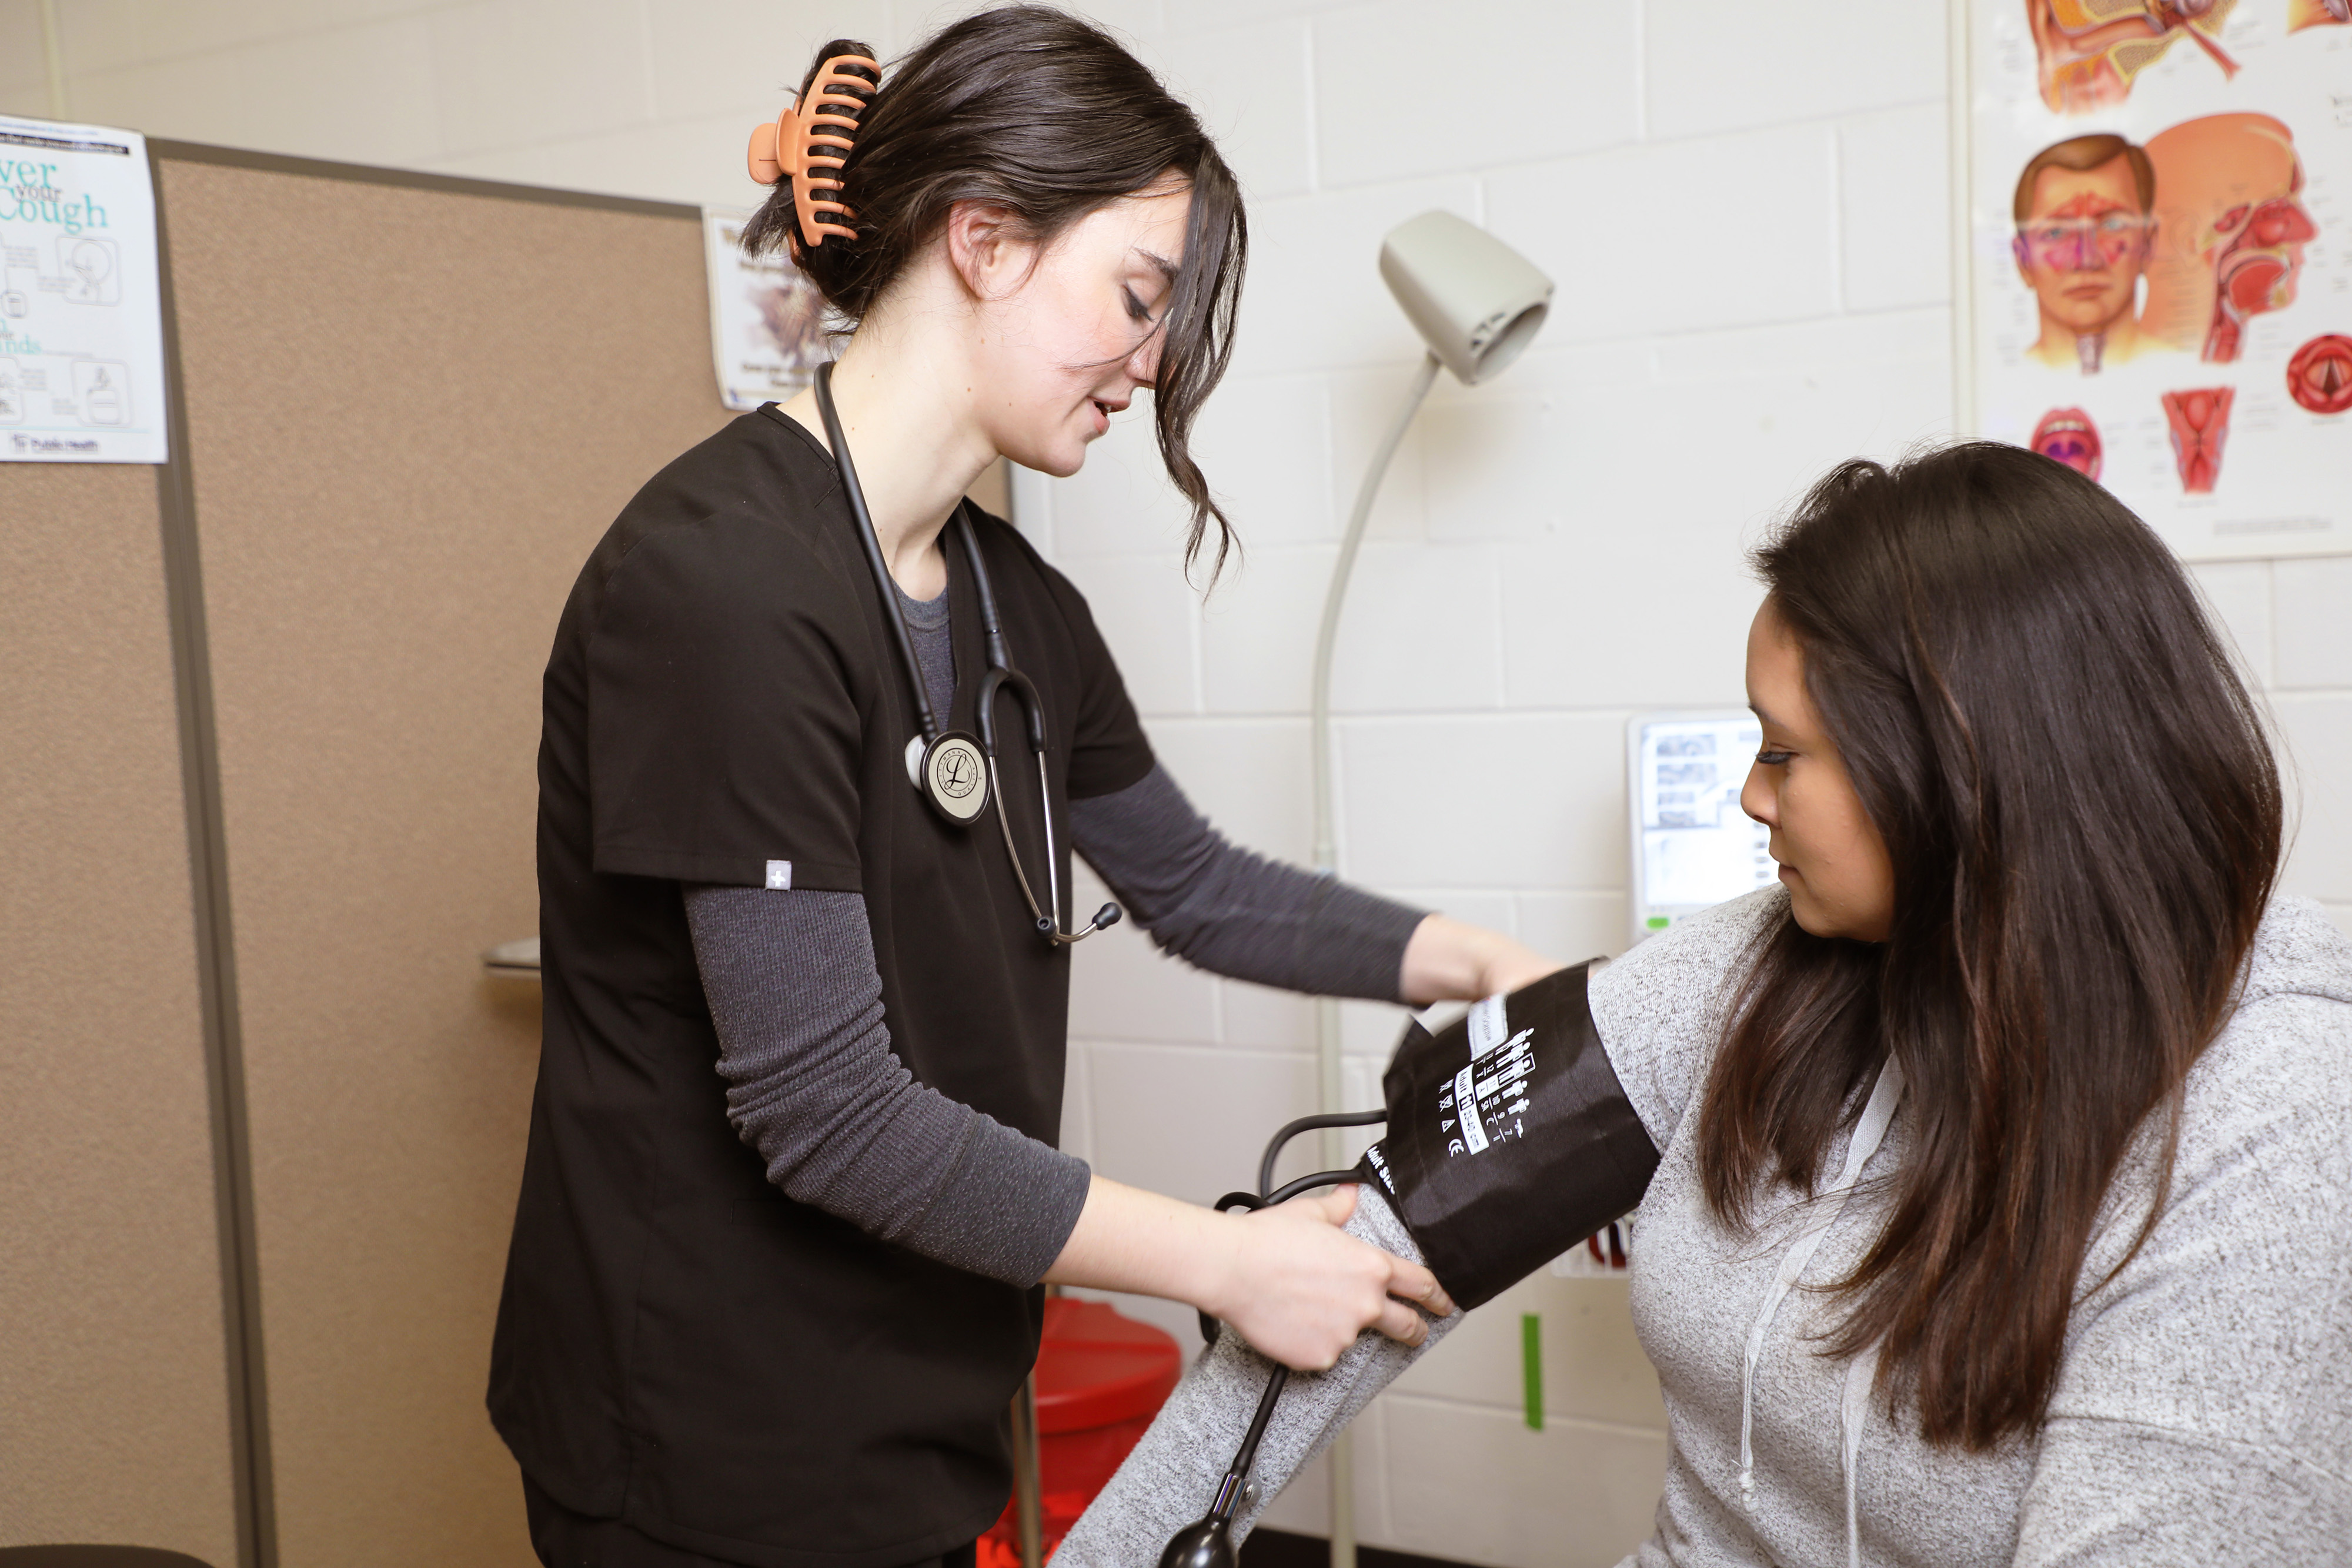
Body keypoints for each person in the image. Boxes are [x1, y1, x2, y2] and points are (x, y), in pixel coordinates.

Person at [485, 11, 1557, 1568]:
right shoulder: (715, 585)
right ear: (982, 239)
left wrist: (1484, 962)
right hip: (705, 1429)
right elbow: (826, 1112)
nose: (1157, 361)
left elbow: (1194, 886)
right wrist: (1225, 1261)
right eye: (1136, 297)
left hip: (917, 1402)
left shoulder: (1011, 601)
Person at [1058, 442, 2352, 1566]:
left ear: (1959, 769)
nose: (1748, 796)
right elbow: (1381, 1249)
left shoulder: (2273, 1109)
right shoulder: (1751, 967)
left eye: (1783, 752)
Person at [2011, 133, 2160, 375]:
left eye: (2111, 226)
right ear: (2023, 260)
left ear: (2148, 245)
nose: (2086, 260)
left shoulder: (2190, 370)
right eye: (2056, 232)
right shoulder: (2002, 386)